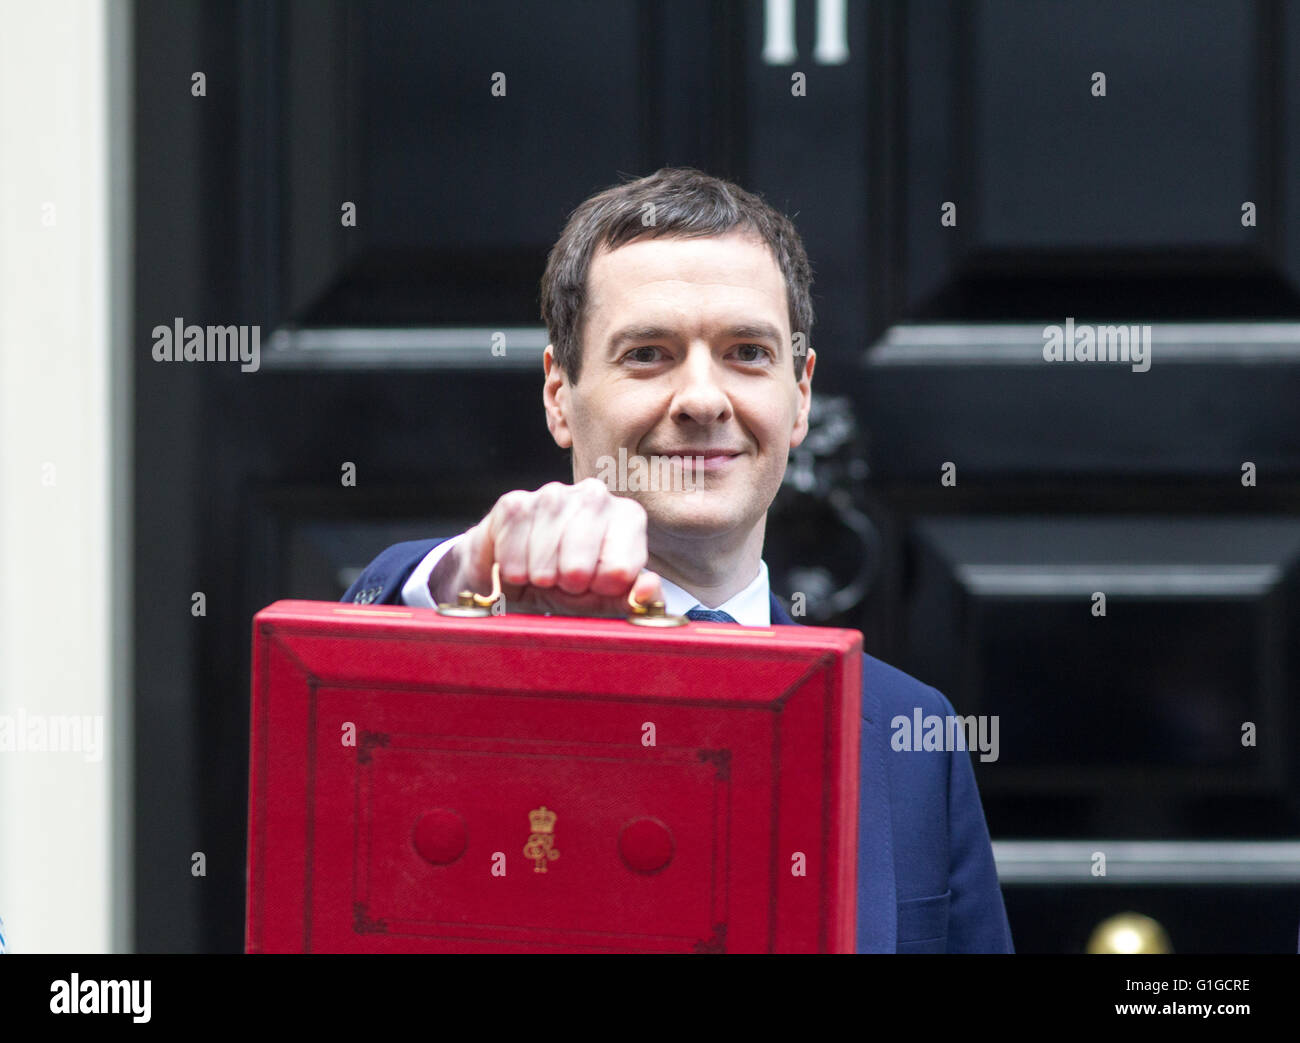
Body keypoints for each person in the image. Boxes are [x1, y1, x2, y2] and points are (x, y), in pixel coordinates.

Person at [343, 167, 1014, 953]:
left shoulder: (910, 731)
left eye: (746, 353)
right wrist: (468, 583)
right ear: (560, 392)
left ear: (800, 395)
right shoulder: (450, 628)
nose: (703, 398)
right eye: (650, 353)